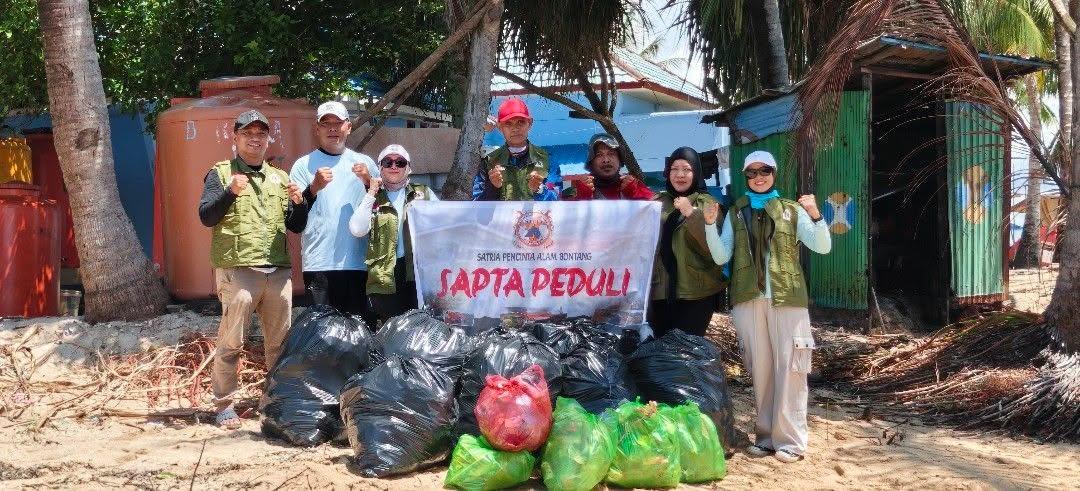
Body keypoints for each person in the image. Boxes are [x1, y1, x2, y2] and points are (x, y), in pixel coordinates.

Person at [704, 150, 831, 463]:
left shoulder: (791, 210)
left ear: (774, 174)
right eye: (752, 172)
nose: (759, 177)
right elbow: (722, 256)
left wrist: (815, 213)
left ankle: (791, 441)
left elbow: (823, 246)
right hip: (749, 299)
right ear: (745, 176)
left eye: (765, 171)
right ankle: (765, 437)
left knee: (790, 367)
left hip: (787, 298)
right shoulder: (736, 212)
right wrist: (709, 224)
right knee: (760, 369)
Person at [198, 110, 304, 429]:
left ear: (268, 138)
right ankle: (224, 405)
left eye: (261, 133)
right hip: (239, 269)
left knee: (279, 343)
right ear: (235, 138)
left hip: (278, 272)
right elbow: (206, 217)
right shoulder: (220, 173)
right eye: (248, 133)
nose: (255, 138)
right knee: (232, 340)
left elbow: (296, 225)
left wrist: (300, 204)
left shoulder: (280, 178)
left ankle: (274, 401)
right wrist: (230, 192)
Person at [286, 101, 380, 325]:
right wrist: (314, 188)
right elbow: (295, 222)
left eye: (338, 123)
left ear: (348, 126)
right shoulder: (302, 166)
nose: (332, 129)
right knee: (322, 335)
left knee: (359, 333)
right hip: (319, 264)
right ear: (316, 128)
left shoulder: (365, 164)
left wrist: (368, 182)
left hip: (359, 263)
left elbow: (380, 212)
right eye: (326, 123)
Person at [349, 144, 439, 322]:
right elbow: (357, 229)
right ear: (380, 167)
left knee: (419, 329)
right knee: (390, 332)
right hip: (384, 278)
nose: (394, 166)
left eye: (400, 162)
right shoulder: (372, 197)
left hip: (417, 276)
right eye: (388, 162)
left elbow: (443, 227)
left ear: (409, 168)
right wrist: (372, 192)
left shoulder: (424, 193)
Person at [647, 146, 726, 337]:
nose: (680, 174)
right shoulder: (656, 202)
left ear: (696, 173)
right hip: (660, 293)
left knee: (687, 353)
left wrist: (691, 213)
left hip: (695, 294)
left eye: (687, 169)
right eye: (674, 169)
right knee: (662, 354)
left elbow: (712, 249)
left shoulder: (708, 204)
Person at [472, 98, 559, 201]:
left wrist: (539, 190)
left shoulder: (547, 159)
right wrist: (493, 187)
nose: (515, 128)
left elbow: (557, 197)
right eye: (508, 123)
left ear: (530, 123)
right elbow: (476, 204)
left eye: (521, 122)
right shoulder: (488, 162)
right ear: (500, 127)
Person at [561, 133, 654, 201]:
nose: (606, 160)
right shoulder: (572, 185)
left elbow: (656, 210)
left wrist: (634, 195)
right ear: (591, 162)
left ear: (619, 160)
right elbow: (557, 218)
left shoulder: (633, 184)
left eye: (611, 153)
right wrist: (582, 197)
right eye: (599, 155)